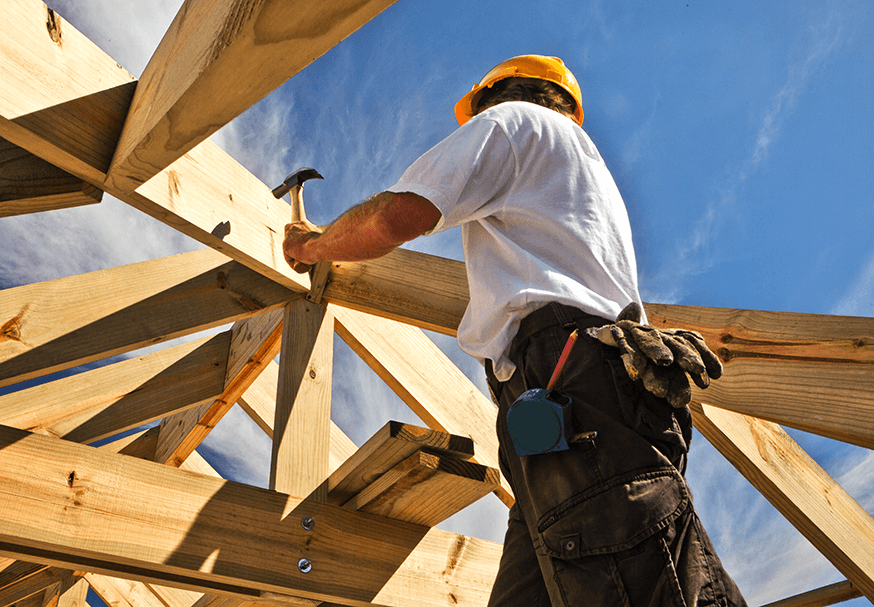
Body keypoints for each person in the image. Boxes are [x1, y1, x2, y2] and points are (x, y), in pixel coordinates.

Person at [283, 55, 746, 607]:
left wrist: (311, 246)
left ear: (491, 99)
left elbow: (394, 217)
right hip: (572, 404)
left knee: (634, 579)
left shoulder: (512, 124)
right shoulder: (577, 170)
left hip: (571, 389)